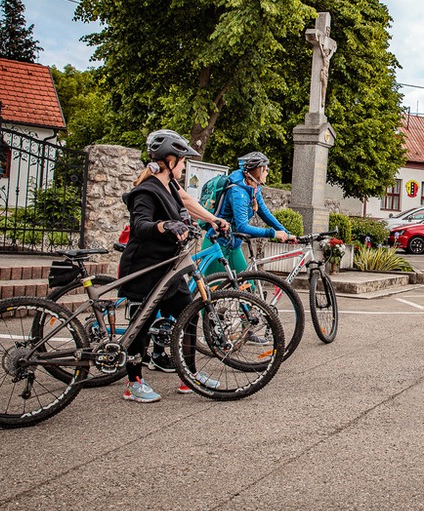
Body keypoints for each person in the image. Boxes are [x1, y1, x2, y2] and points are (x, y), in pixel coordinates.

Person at [118, 129, 227, 403]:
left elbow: (187, 206)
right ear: (169, 160)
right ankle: (134, 383)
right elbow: (141, 225)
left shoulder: (170, 187)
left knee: (188, 315)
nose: (184, 165)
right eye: (182, 160)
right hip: (146, 268)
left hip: (169, 268)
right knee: (140, 326)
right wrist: (165, 224)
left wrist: (211, 220)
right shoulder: (146, 190)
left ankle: (188, 377)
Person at [201, 151, 296, 277]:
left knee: (249, 288)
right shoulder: (238, 192)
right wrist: (273, 233)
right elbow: (242, 227)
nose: (267, 172)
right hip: (218, 244)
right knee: (216, 292)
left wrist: (286, 233)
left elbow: (265, 214)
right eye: (266, 169)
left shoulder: (253, 189)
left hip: (233, 246)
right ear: (258, 170)